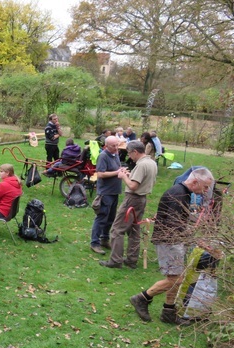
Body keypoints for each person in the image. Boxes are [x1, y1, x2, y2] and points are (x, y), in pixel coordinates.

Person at [129, 168, 215, 325]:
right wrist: (193, 238)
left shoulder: (183, 192)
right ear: (196, 182)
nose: (206, 191)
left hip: (174, 240)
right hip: (168, 241)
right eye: (205, 187)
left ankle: (168, 312)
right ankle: (142, 298)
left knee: (175, 278)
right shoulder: (179, 194)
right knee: (176, 279)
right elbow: (172, 225)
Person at [99, 141, 158, 269]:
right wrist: (129, 175)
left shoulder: (142, 165)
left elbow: (133, 186)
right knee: (134, 229)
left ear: (135, 152)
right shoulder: (151, 162)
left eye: (130, 153)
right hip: (142, 199)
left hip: (133, 199)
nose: (129, 156)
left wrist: (122, 176)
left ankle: (115, 260)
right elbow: (142, 180)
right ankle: (132, 260)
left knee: (117, 230)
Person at [90, 136, 122, 255]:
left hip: (115, 192)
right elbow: (100, 174)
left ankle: (104, 239)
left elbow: (117, 168)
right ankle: (94, 243)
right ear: (106, 146)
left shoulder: (116, 154)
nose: (116, 148)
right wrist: (117, 172)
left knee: (110, 218)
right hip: (106, 192)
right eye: (113, 146)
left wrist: (122, 170)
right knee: (102, 218)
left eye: (117, 145)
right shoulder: (103, 156)